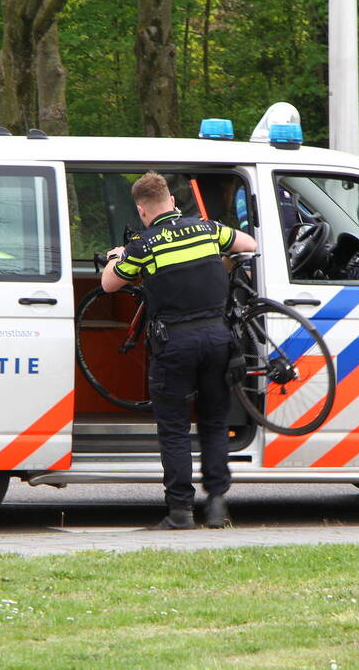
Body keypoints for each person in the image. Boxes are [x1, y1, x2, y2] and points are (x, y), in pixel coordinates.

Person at [101, 171, 257, 530]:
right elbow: (247, 244)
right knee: (214, 421)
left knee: (173, 429)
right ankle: (217, 505)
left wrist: (117, 255)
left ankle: (180, 513)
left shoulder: (143, 244)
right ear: (171, 201)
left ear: (142, 210)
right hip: (218, 339)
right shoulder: (208, 229)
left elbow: (110, 284)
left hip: (174, 343)